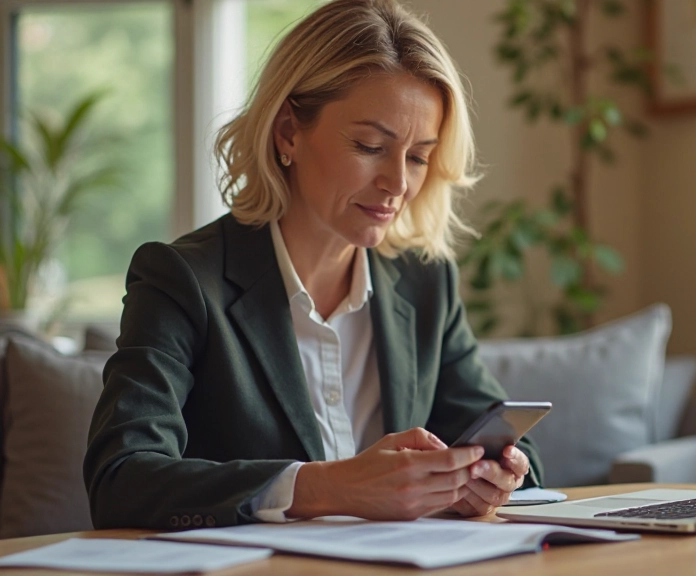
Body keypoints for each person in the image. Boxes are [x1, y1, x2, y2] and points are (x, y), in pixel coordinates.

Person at [83, 0, 543, 530]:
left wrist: (494, 477)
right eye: (370, 145)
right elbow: (121, 478)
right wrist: (331, 486)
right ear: (287, 134)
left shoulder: (425, 283)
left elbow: (513, 447)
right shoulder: (183, 280)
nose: (398, 184)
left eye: (418, 156)